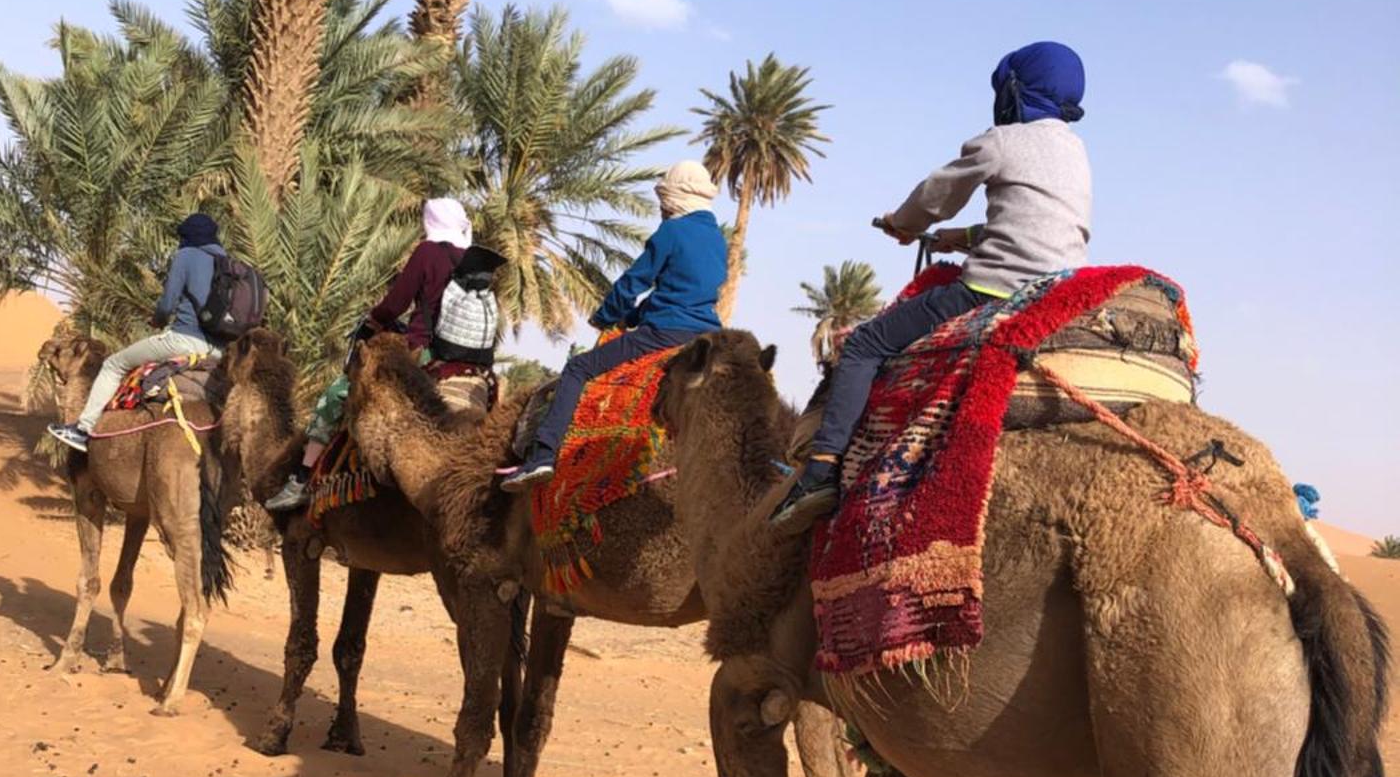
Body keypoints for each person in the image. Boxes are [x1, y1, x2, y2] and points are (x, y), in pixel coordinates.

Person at [769, 41, 1092, 534]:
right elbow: (1034, 226)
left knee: (864, 345)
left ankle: (821, 471)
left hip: (993, 290)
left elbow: (936, 195)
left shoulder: (1002, 141)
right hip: (1053, 292)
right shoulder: (1075, 151)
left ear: (1015, 89)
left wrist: (903, 224)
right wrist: (960, 239)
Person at [496, 160, 727, 491]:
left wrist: (606, 316)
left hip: (663, 333)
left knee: (578, 369)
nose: (661, 208)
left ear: (674, 197)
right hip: (706, 334)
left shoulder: (672, 231)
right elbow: (682, 290)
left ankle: (542, 457)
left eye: (664, 200)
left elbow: (633, 283)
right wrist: (633, 317)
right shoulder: (717, 240)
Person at [264, 197, 473, 511]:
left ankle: (301, 480)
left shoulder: (428, 253)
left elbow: (395, 303)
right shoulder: (473, 260)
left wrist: (375, 319)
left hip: (423, 351)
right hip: (467, 359)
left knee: (336, 395)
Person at [49, 213, 228, 453]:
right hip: (219, 349)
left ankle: (83, 429)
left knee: (114, 364)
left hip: (184, 341)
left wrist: (157, 320)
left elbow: (166, 306)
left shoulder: (187, 255)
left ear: (187, 237)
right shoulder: (227, 263)